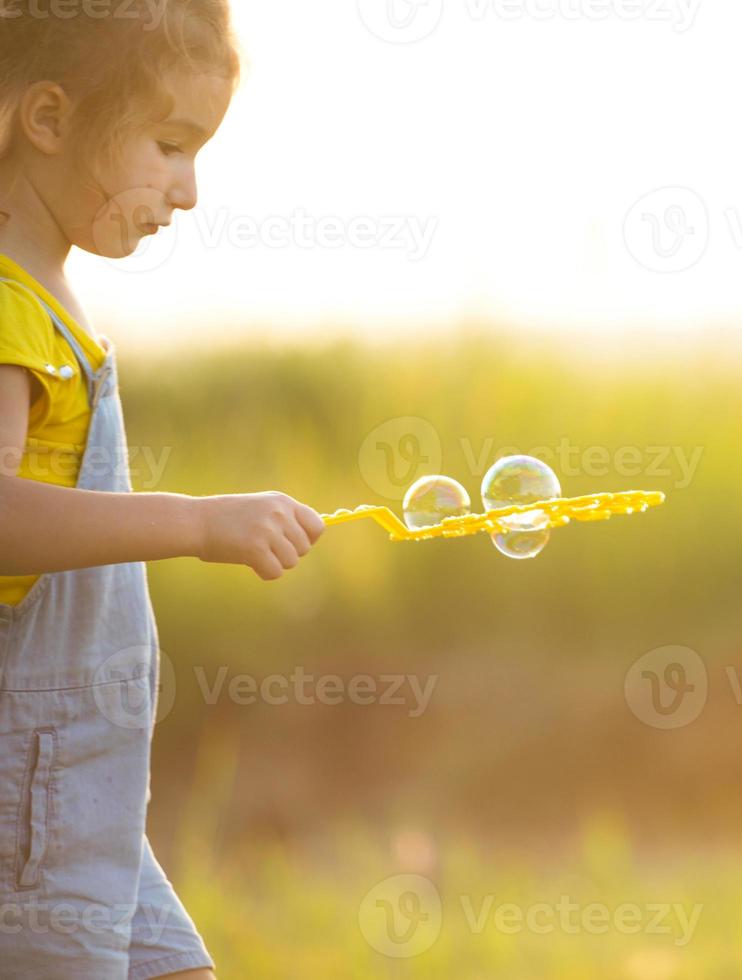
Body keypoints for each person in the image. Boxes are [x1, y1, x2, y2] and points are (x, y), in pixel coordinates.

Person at [0, 2, 322, 975]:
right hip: (32, 784)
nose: (186, 191)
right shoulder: (9, 310)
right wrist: (195, 521)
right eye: (170, 145)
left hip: (82, 784)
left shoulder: (48, 293)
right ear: (49, 119)